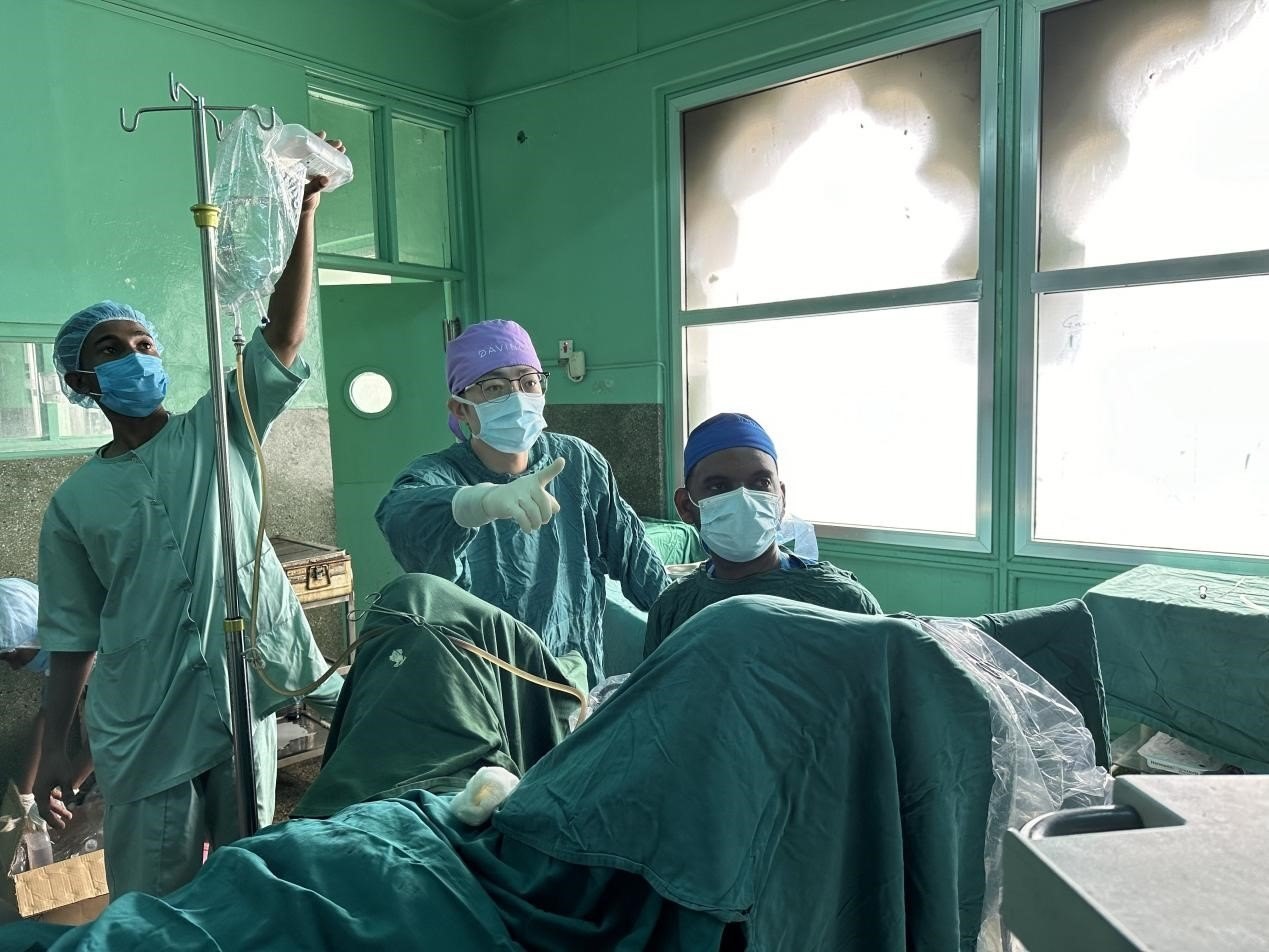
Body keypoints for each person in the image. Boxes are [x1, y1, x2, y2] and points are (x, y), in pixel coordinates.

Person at [33, 141, 346, 900]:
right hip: (142, 722)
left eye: (144, 344)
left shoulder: (218, 429)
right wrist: (54, 754)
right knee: (153, 898)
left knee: (249, 882)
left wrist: (305, 210)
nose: (134, 355)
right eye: (112, 349)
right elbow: (72, 640)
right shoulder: (74, 504)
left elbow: (281, 337)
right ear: (82, 379)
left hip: (240, 699)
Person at [375, 319, 668, 682]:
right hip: (481, 683)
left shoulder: (578, 463)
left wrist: (695, 623)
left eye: (529, 382)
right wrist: (481, 501)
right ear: (460, 409)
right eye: (494, 387)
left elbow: (638, 561)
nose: (517, 397)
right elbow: (399, 514)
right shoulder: (442, 473)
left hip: (573, 674)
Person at [643, 412, 882, 659]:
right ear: (685, 506)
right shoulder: (673, 609)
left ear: (782, 499)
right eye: (718, 487)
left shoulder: (842, 603)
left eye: (761, 483)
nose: (744, 500)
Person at [0, 578, 93, 816]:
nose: (15, 668)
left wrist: (66, 789)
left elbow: (113, 730)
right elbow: (49, 714)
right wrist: (25, 796)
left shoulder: (98, 653)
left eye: (13, 656)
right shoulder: (59, 656)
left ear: (34, 635)